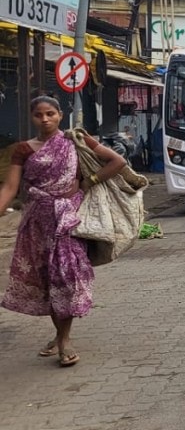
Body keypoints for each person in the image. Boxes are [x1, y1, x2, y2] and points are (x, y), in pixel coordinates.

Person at [0, 95, 127, 367]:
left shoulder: (75, 141)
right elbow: (10, 188)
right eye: (39, 115)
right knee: (48, 280)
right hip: (36, 225)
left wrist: (86, 183)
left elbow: (117, 162)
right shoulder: (23, 150)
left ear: (60, 115)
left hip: (69, 221)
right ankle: (60, 336)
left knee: (66, 278)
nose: (45, 119)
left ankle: (65, 340)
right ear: (32, 118)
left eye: (50, 114)